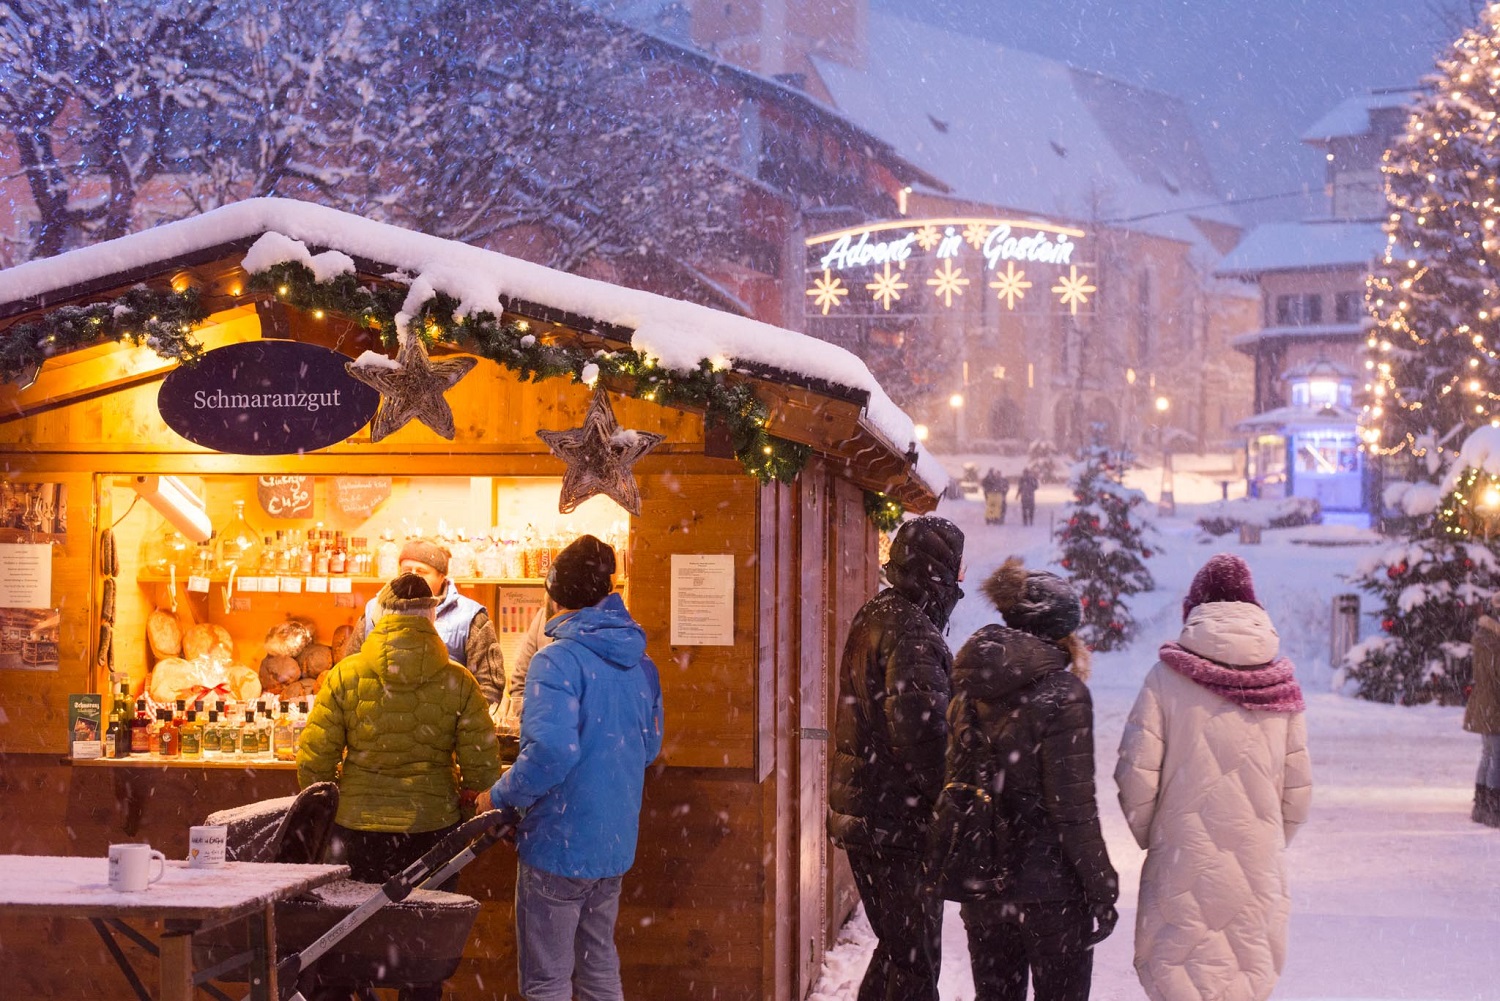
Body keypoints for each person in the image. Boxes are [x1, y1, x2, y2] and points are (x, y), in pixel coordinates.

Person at [1115, 554, 1312, 1001]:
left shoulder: (1166, 678)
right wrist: (1262, 836)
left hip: (1183, 857)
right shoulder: (1282, 685)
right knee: (1245, 978)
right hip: (1256, 867)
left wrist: (1159, 833)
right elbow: (1298, 793)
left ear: (1194, 609)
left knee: (1176, 975)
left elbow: (1135, 773)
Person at [298, 572, 502, 1000]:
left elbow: (315, 762)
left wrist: (337, 807)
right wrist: (462, 815)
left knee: (344, 946)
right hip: (430, 833)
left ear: (382, 614)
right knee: (421, 955)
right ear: (431, 616)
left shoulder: (344, 676)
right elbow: (482, 770)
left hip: (354, 834)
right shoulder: (459, 681)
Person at [481, 535, 663, 1001]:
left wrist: (498, 797)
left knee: (547, 980)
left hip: (559, 842)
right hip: (614, 842)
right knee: (599, 964)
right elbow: (647, 747)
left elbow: (549, 754)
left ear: (555, 596)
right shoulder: (641, 664)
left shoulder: (555, 661)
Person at [929, 558, 1117, 1001]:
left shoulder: (970, 683)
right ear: (1062, 631)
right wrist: (1101, 884)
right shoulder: (1064, 695)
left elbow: (955, 780)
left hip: (985, 881)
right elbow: (1073, 810)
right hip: (1052, 893)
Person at [828, 515, 965, 1001]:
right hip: (897, 827)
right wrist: (955, 802)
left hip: (872, 816)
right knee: (915, 966)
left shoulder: (879, 614)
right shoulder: (913, 634)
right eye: (957, 573)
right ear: (939, 574)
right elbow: (924, 743)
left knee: (898, 954)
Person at [347, 538, 507, 725]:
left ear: (442, 576)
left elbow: (488, 684)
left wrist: (464, 724)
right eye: (407, 570)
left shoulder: (470, 616)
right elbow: (351, 669)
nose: (413, 577)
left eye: (422, 571)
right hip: (378, 726)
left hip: (443, 730)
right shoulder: (373, 611)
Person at [1466, 596, 1500, 827]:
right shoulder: (1493, 641)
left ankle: (1482, 803)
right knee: (1496, 756)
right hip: (1494, 705)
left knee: (1489, 754)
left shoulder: (1484, 637)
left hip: (1486, 703)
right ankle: (1493, 807)